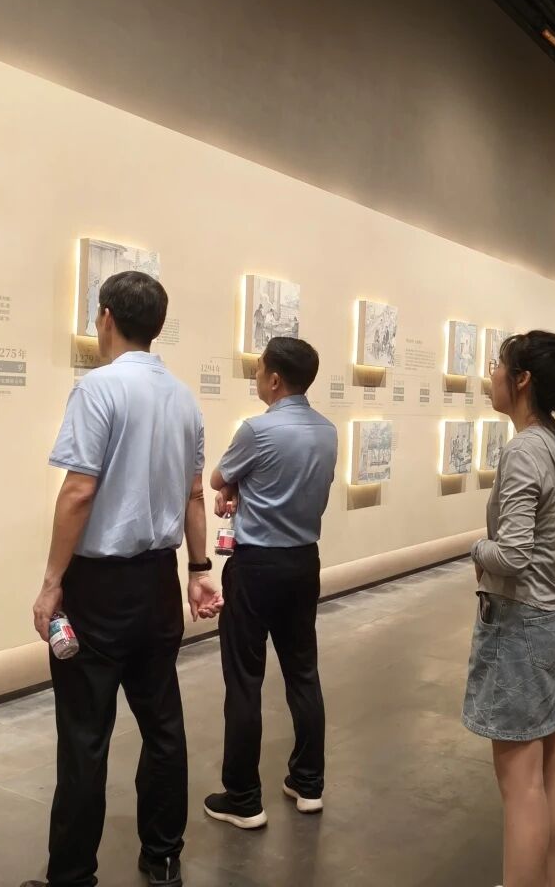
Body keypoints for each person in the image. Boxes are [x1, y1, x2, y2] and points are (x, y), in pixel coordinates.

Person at [21, 271, 222, 887]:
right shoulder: (183, 398)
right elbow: (194, 494)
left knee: (85, 734)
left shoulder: (98, 389)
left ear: (105, 316)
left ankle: (72, 875)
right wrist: (197, 569)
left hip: (99, 588)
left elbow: (78, 491)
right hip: (157, 583)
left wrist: (52, 583)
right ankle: (163, 857)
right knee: (163, 726)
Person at [463, 330, 555, 887]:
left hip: (519, 626)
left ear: (522, 380)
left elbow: (513, 554)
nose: (491, 375)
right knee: (553, 762)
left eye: (498, 366)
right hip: (551, 619)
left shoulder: (525, 449)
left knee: (521, 785)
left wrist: (476, 550)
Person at [203, 337, 338, 830]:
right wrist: (248, 489)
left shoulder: (257, 430)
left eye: (259, 370)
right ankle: (308, 783)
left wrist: (236, 487)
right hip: (303, 563)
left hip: (257, 566)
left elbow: (217, 478)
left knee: (245, 680)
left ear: (275, 379)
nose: (256, 377)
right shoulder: (327, 431)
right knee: (303, 673)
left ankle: (243, 797)